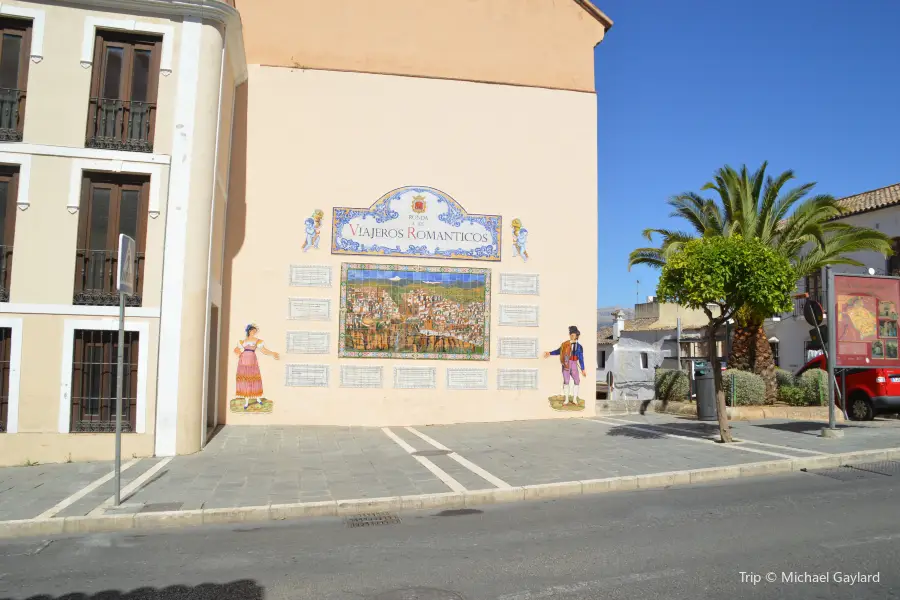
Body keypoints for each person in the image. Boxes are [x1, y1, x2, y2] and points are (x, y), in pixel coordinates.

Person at [234, 324, 280, 409]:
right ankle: (246, 401)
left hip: (252, 361)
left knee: (254, 379)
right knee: (245, 380)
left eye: (255, 331)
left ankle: (258, 398)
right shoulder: (242, 341)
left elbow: (264, 350)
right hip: (243, 362)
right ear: (249, 331)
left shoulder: (257, 341)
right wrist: (240, 354)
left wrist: (273, 353)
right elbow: (236, 349)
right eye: (252, 331)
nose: (254, 332)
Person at [543, 325, 587, 406]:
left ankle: (574, 399)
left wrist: (583, 369)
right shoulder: (565, 344)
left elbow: (581, 358)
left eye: (573, 335)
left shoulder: (580, 347)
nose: (571, 336)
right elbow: (559, 351)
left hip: (574, 364)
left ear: (577, 336)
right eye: (571, 334)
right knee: (566, 381)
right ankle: (566, 399)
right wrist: (550, 353)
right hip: (566, 364)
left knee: (577, 381)